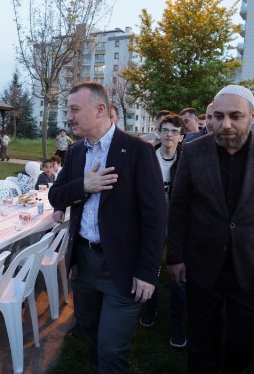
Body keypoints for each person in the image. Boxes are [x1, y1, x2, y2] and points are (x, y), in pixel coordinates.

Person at [167, 85, 254, 373]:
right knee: (201, 339)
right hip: (202, 263)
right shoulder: (192, 151)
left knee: (246, 343)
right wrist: (175, 257)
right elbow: (178, 207)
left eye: (235, 116)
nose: (225, 124)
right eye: (218, 116)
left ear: (252, 116)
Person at [49, 82, 167, 373]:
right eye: (68, 110)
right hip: (85, 264)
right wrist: (84, 186)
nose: (69, 116)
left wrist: (147, 272)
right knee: (90, 334)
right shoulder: (76, 153)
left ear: (100, 109)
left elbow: (155, 218)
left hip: (123, 268)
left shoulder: (138, 151)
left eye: (75, 109)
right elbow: (56, 196)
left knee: (112, 349)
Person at [140, 113, 187, 348]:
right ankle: (150, 308)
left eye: (175, 132)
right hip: (151, 227)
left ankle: (178, 325)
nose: (170, 135)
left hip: (178, 228)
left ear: (181, 137)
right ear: (158, 132)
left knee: (178, 278)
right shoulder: (147, 158)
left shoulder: (187, 160)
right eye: (165, 130)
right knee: (150, 272)